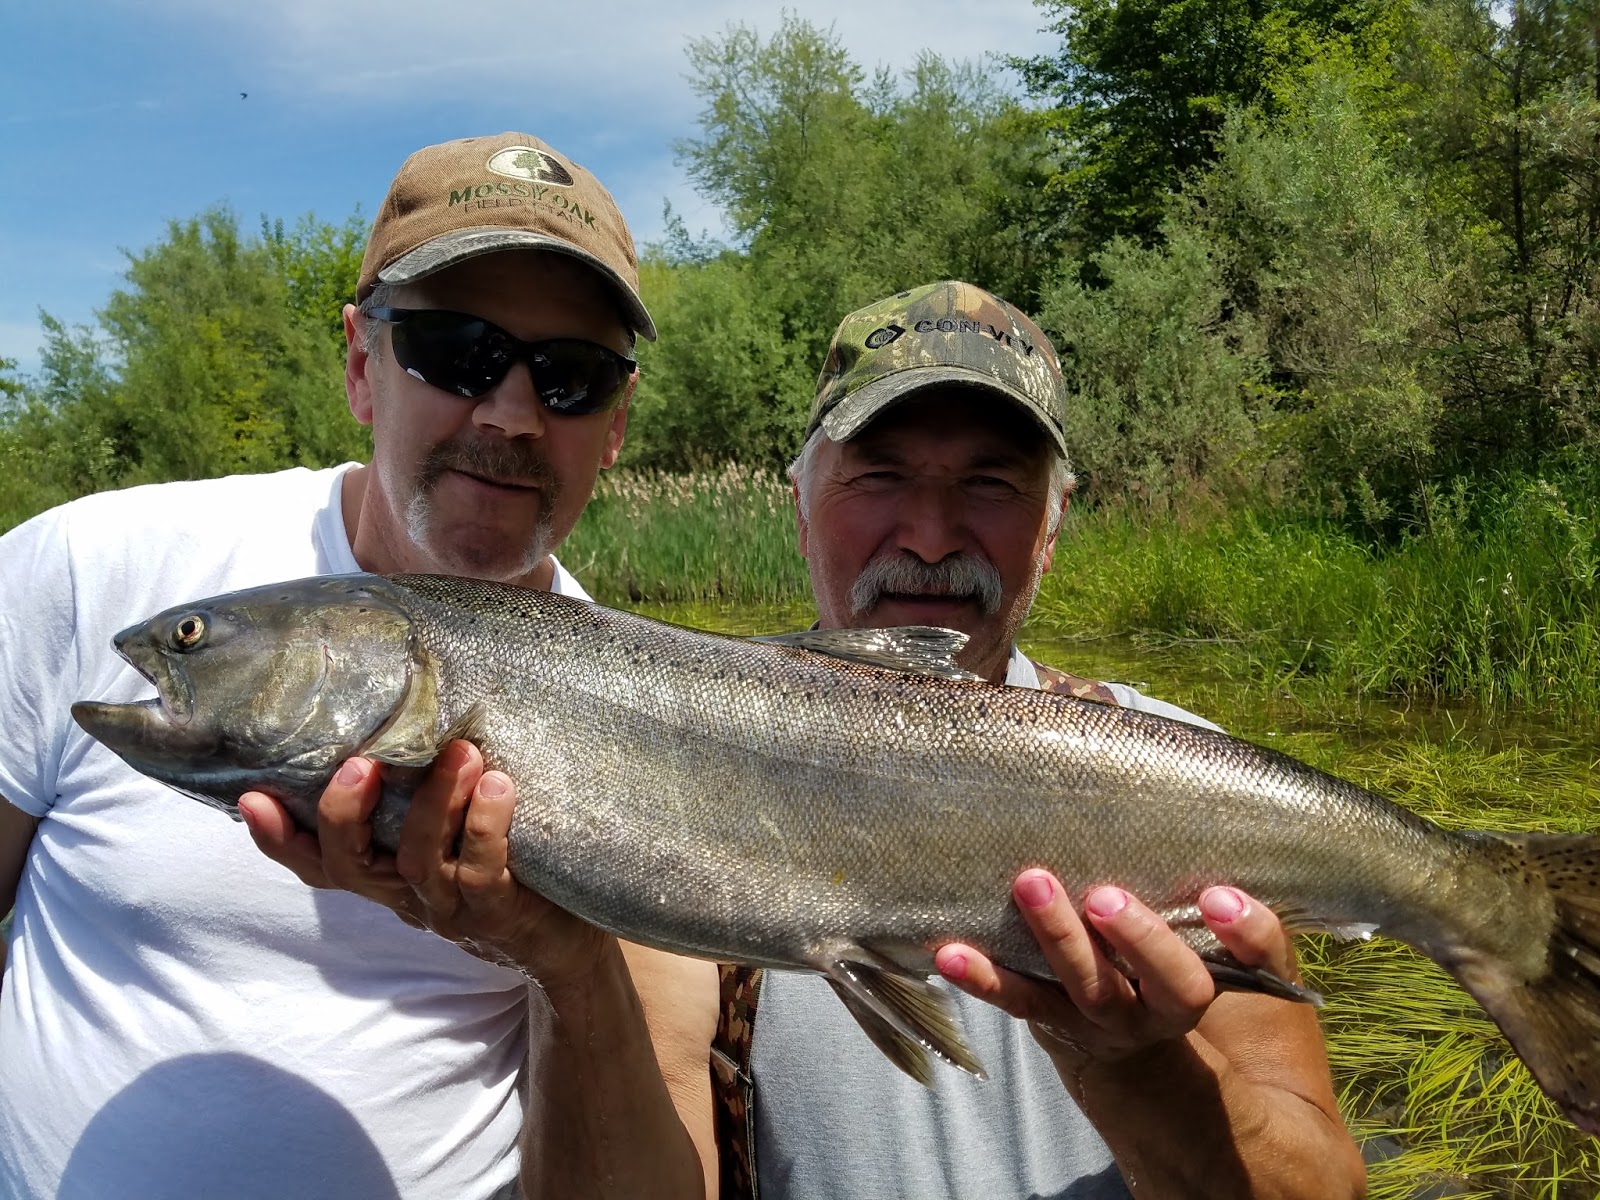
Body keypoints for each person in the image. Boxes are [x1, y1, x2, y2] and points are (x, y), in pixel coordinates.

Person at [266, 279, 1366, 1197]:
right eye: (878, 478)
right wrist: (563, 960)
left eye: (989, 483)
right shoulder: (668, 784)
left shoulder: (1183, 780)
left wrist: (1128, 1065)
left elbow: (1320, 1184)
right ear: (799, 504)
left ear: (1052, 520)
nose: (930, 536)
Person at [0, 131, 712, 1200]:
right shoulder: (86, 570)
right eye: (452, 350)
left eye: (570, 377)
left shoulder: (667, 720)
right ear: (358, 365)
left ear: (615, 425)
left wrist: (561, 961)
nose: (510, 414)